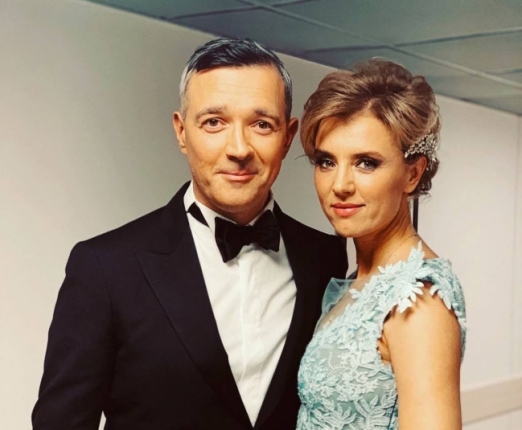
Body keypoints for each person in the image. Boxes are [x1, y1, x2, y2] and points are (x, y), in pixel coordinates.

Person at [32, 38, 348, 430]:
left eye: (261, 125)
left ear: (288, 136)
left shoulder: (324, 257)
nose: (239, 148)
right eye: (214, 122)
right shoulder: (105, 267)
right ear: (182, 132)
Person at [296, 59, 466, 430]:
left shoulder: (418, 300)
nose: (340, 185)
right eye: (326, 161)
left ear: (412, 173)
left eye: (366, 163)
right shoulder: (358, 279)